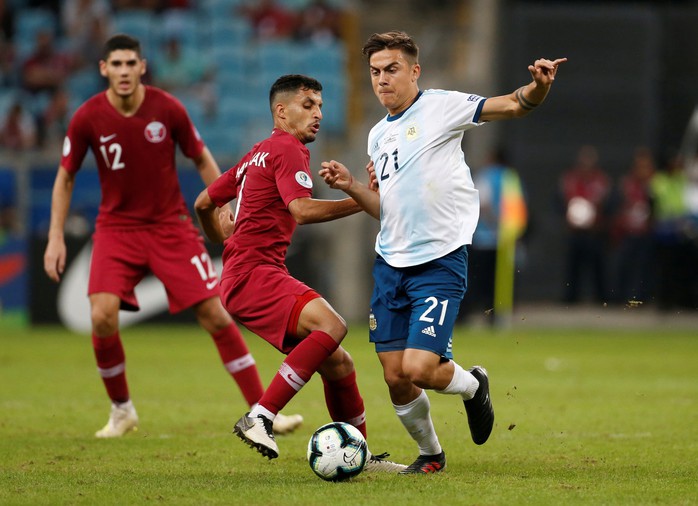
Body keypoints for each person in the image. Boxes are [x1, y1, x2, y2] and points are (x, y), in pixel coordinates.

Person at [319, 30, 566, 474]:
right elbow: (386, 209)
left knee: (417, 367)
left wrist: (539, 87)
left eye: (391, 69)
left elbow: (511, 103)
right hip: (390, 263)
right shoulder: (378, 135)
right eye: (375, 72)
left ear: (414, 70)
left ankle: (473, 387)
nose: (382, 80)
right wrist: (352, 187)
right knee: (395, 377)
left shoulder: (441, 106)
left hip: (439, 260)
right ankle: (431, 456)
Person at [43, 34, 302, 439]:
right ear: (104, 69)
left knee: (215, 314)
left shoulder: (167, 108)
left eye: (131, 63)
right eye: (117, 64)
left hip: (170, 228)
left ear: (142, 67)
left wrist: (222, 200)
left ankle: (262, 412)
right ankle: (121, 409)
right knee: (101, 315)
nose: (124, 71)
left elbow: (200, 156)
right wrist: (56, 237)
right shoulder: (87, 117)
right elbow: (65, 176)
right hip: (116, 230)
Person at [194, 74, 405, 472]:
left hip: (244, 275)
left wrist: (223, 239)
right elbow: (302, 211)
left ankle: (360, 455)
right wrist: (362, 200)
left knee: (339, 363)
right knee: (333, 325)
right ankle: (261, 415)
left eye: (321, 106)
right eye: (308, 105)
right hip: (255, 274)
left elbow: (204, 202)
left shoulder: (259, 150)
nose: (318, 114)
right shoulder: (287, 148)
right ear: (281, 110)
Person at [558, 145, 612, 304]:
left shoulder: (601, 179)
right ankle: (571, 297)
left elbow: (606, 202)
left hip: (594, 232)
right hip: (575, 231)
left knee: (598, 266)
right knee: (573, 266)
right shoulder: (570, 179)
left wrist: (598, 219)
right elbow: (561, 200)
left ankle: (601, 297)